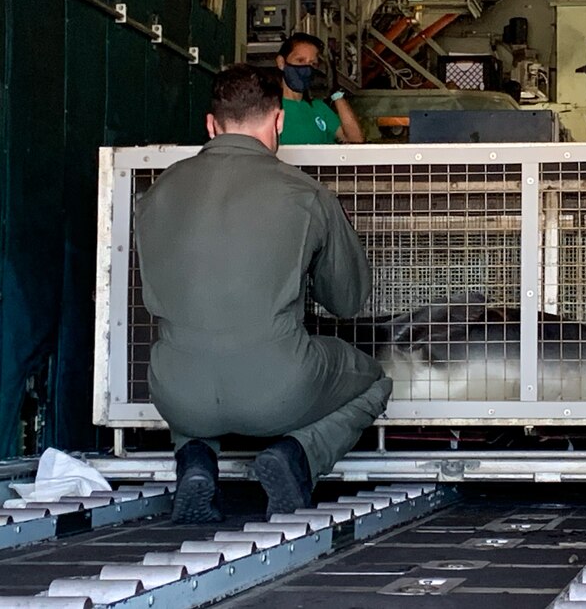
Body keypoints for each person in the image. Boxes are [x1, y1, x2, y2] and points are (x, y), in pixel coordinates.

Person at [134, 65, 392, 523]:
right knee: (374, 379)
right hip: (278, 393)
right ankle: (295, 456)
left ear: (210, 125)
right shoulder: (305, 193)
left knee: (189, 355)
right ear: (277, 122)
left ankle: (194, 462)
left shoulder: (155, 193)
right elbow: (348, 302)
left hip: (175, 394)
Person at [276, 32, 365, 144]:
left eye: (312, 63)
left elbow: (355, 140)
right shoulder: (268, 107)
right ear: (281, 62)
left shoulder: (319, 108)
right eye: (300, 60)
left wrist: (336, 93)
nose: (306, 68)